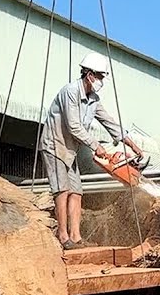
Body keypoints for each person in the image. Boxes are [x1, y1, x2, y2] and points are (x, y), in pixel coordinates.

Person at [38, 52, 146, 249]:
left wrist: (132, 144)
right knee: (62, 190)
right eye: (100, 77)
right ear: (90, 75)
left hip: (70, 150)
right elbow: (74, 126)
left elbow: (109, 122)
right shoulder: (69, 92)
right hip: (54, 145)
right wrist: (97, 146)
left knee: (77, 191)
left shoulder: (93, 99)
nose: (101, 81)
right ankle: (63, 236)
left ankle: (76, 237)